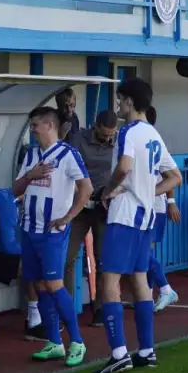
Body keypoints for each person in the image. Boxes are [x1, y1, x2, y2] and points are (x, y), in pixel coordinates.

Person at [95, 78, 182, 373]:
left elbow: (124, 167)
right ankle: (146, 350)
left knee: (109, 282)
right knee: (140, 280)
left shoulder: (128, 132)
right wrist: (150, 192)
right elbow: (174, 177)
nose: (118, 105)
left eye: (120, 100)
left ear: (130, 101)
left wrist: (107, 191)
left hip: (125, 214)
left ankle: (119, 353)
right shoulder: (154, 134)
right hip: (145, 216)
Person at [13, 107, 92, 367]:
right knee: (37, 284)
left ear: (49, 125)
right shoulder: (31, 155)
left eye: (35, 125)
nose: (32, 129)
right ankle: (54, 342)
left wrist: (69, 217)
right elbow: (15, 189)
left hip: (52, 232)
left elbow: (86, 188)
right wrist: (30, 176)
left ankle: (77, 341)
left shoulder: (68, 154)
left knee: (54, 285)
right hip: (29, 229)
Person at [63, 109, 119, 326]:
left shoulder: (119, 142)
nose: (108, 139)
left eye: (111, 135)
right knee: (67, 258)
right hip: (79, 207)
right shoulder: (78, 139)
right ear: (95, 127)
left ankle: (101, 310)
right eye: (104, 134)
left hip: (105, 208)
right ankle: (65, 310)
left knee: (104, 260)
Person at [145, 106, 180, 312]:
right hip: (145, 207)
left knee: (143, 253)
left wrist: (171, 202)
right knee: (145, 253)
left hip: (154, 207)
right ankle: (147, 297)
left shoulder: (154, 143)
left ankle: (166, 290)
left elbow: (171, 176)